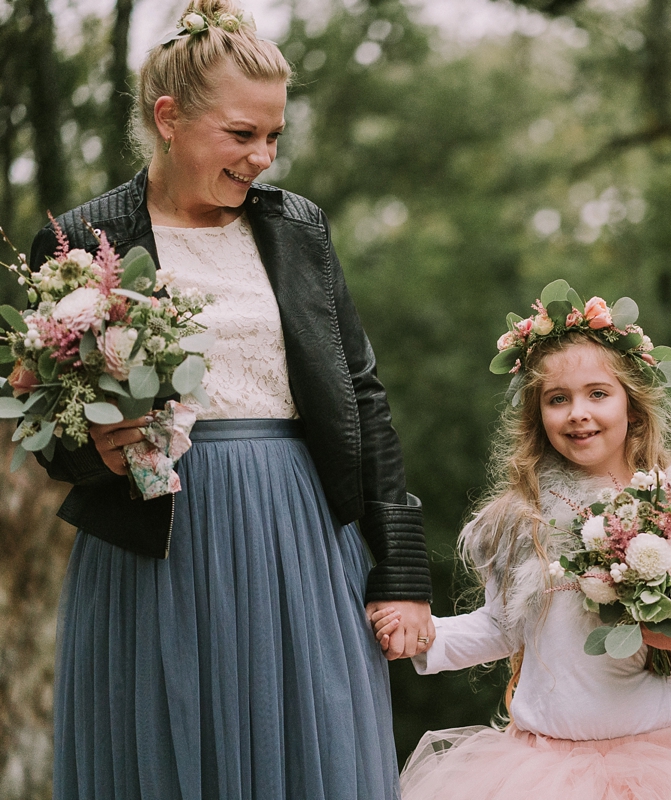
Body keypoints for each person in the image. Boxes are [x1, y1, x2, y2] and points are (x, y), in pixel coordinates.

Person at [27, 2, 434, 797]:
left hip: (303, 533)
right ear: (170, 118)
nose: (263, 158)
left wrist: (402, 570)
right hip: (155, 542)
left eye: (274, 135)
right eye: (242, 134)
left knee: (314, 749)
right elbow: (51, 429)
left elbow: (362, 396)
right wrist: (92, 450)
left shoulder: (299, 230)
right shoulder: (79, 242)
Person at [370, 288, 671, 800]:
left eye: (597, 393)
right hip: (543, 773)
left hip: (670, 764)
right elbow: (501, 626)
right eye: (557, 399)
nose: (578, 413)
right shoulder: (522, 518)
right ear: (537, 416)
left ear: (632, 405)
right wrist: (422, 635)